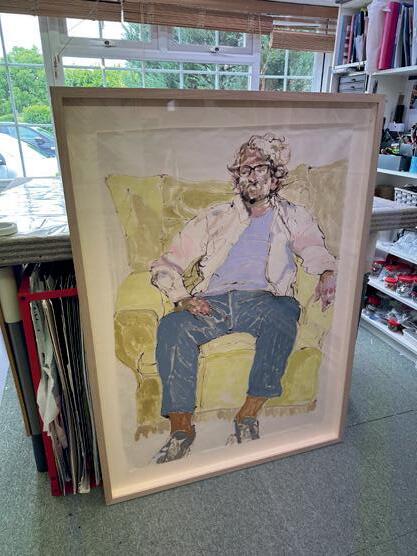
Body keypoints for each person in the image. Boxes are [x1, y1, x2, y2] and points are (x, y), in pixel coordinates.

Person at [150, 133, 336, 464]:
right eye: (243, 170)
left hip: (265, 301)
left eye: (258, 168)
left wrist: (326, 272)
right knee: (172, 327)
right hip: (214, 301)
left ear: (275, 175)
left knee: (283, 316)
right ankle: (181, 431)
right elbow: (167, 263)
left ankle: (247, 416)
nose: (250, 176)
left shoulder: (293, 216)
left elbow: (313, 248)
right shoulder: (216, 216)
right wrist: (182, 297)